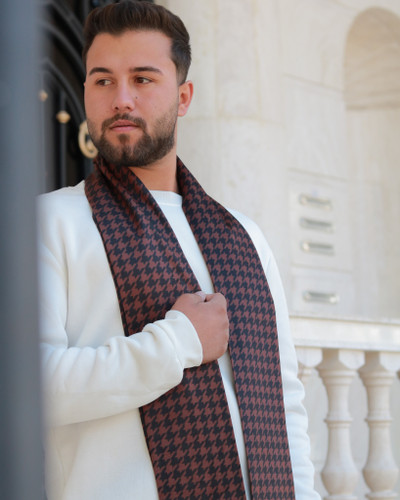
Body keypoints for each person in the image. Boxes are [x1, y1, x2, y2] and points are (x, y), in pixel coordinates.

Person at [38, 2, 321, 499]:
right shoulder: (51, 222)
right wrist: (178, 342)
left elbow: (282, 402)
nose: (121, 99)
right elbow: (30, 386)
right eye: (103, 81)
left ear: (183, 96)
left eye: (142, 79)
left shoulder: (243, 237)